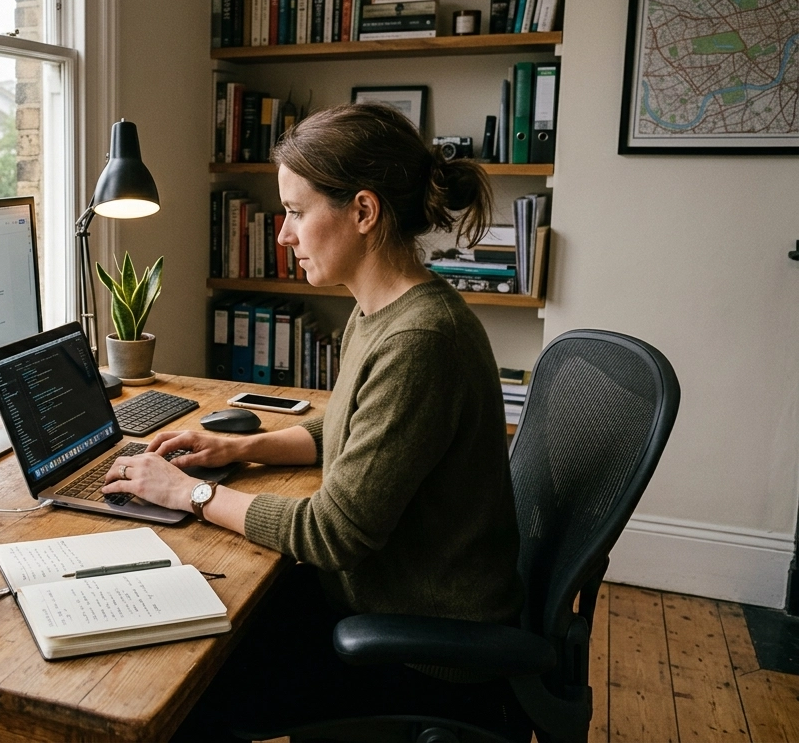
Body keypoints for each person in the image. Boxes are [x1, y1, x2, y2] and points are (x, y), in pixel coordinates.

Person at [102, 102, 526, 739]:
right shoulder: (380, 310)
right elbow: (338, 434)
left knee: (168, 699)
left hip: (423, 651)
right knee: (185, 622)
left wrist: (186, 492)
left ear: (363, 211)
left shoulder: (419, 341)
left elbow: (333, 534)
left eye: (297, 212)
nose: (283, 235)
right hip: (376, 600)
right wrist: (228, 448)